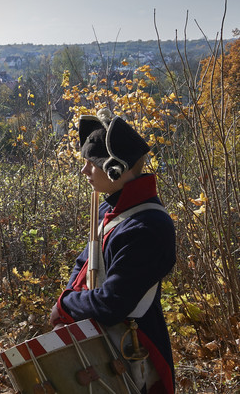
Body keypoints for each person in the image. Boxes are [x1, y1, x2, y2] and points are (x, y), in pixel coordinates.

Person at [49, 108, 176, 394]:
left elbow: (113, 303)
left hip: (132, 350)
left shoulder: (148, 226)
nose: (84, 171)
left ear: (115, 168)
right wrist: (69, 308)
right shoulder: (109, 207)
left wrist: (66, 305)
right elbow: (83, 263)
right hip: (96, 338)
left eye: (91, 163)